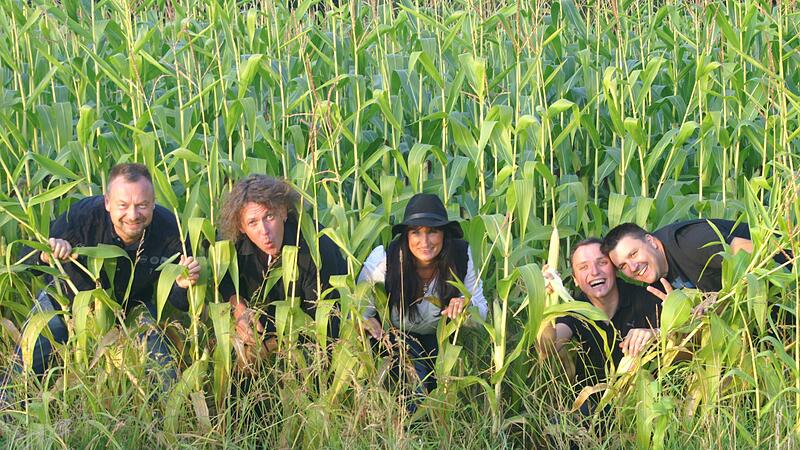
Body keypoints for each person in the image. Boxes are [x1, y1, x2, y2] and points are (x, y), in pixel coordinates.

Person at [9, 163, 200, 379]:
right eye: (123, 205)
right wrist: (46, 253)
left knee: (161, 369)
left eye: (142, 205)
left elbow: (179, 303)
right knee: (28, 362)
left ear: (153, 203)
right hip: (67, 302)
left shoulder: (171, 231)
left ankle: (167, 412)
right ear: (108, 202)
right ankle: (8, 406)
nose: (133, 214)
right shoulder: (82, 218)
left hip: (133, 307)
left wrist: (181, 285)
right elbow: (26, 259)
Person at [358, 193, 488, 395]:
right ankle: (408, 422)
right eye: (416, 232)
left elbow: (482, 314)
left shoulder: (461, 256)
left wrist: (466, 305)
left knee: (441, 386)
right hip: (396, 340)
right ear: (406, 236)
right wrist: (366, 319)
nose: (425, 241)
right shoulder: (386, 259)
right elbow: (358, 306)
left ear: (444, 234)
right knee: (416, 382)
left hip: (440, 340)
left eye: (433, 232)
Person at [218, 175, 346, 355]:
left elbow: (325, 328)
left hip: (311, 341)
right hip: (263, 328)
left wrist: (269, 347)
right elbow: (224, 279)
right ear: (241, 227)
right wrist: (238, 308)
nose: (264, 232)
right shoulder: (232, 246)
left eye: (269, 216)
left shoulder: (315, 248)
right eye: (252, 223)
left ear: (284, 212)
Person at [539, 238, 662, 391]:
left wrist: (656, 334)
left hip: (642, 400)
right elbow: (547, 348)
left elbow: (682, 339)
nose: (594, 272)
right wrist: (545, 299)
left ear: (615, 268)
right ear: (575, 279)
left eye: (602, 263)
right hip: (591, 406)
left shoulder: (644, 299)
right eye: (584, 267)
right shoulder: (576, 308)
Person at [600, 220, 759, 298]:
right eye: (623, 266)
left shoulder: (689, 241)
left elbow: (755, 251)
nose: (633, 267)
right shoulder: (655, 277)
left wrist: (721, 296)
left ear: (651, 241)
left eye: (633, 254)